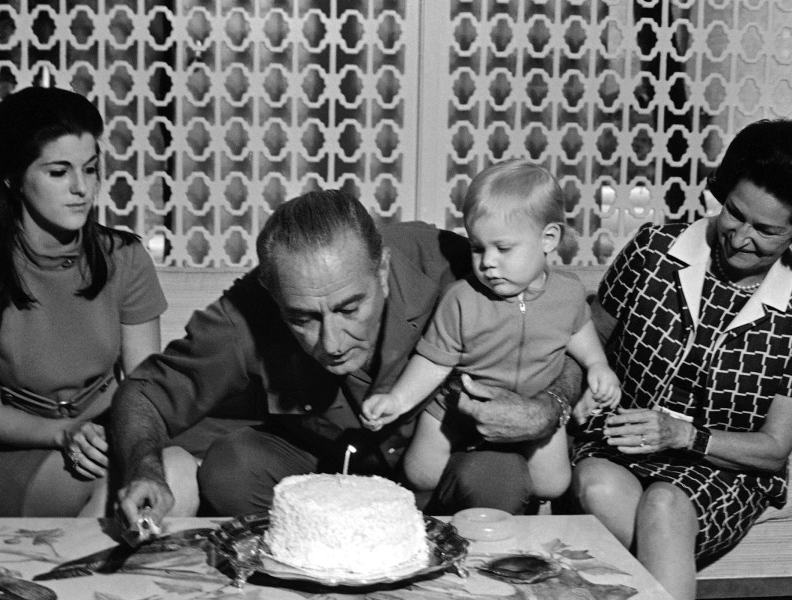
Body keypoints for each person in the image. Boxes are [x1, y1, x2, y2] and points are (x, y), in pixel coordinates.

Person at [112, 190, 583, 526]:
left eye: (349, 308)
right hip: (323, 481)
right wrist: (144, 469)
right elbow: (145, 394)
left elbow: (572, 332)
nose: (332, 342)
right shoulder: (246, 311)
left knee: (498, 474)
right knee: (231, 467)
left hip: (440, 472)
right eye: (303, 318)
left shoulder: (452, 263)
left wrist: (551, 404)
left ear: (382, 270)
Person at [0, 86, 189, 517]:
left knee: (178, 470)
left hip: (107, 436)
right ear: (13, 176)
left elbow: (143, 387)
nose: (81, 188)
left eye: (90, 169)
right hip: (12, 451)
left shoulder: (125, 258)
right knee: (116, 487)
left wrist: (123, 441)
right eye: (58, 172)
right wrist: (65, 432)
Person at [571, 119, 792, 600]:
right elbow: (588, 340)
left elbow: (775, 448)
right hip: (618, 441)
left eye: (766, 230)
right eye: (734, 213)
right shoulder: (653, 250)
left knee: (665, 505)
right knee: (596, 484)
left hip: (725, 466)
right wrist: (578, 390)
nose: (740, 237)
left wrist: (683, 434)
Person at [361, 160, 619, 501]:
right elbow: (433, 361)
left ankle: (507, 478)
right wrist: (398, 399)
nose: (487, 262)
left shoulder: (568, 292)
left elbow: (578, 331)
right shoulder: (461, 299)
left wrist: (597, 365)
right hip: (457, 409)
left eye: (503, 248)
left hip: (532, 406)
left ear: (548, 239)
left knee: (553, 485)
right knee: (420, 474)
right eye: (478, 248)